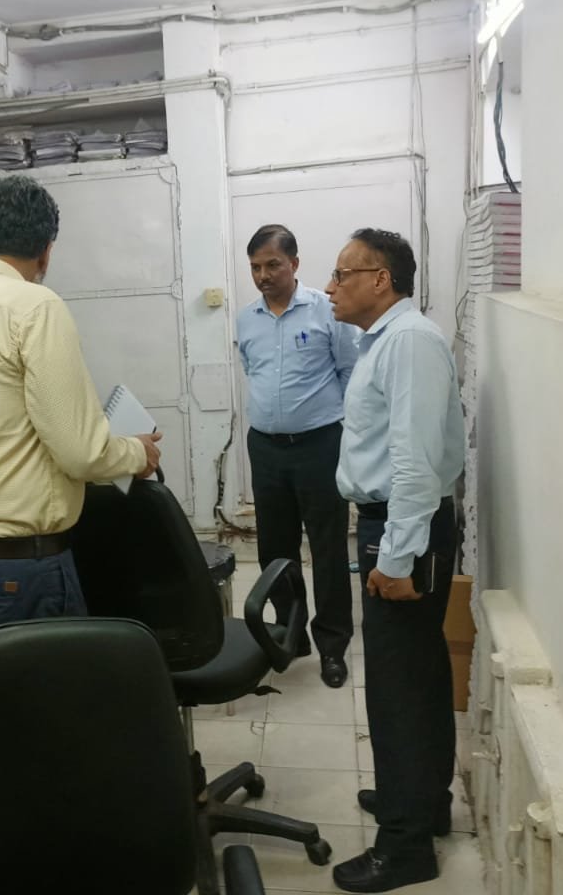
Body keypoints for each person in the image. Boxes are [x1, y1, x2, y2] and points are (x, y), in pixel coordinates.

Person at [0, 175, 161, 649]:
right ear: (46, 253)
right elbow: (81, 453)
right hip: (15, 570)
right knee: (52, 692)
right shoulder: (36, 307)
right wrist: (136, 453)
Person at [325, 228, 465, 893]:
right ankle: (423, 802)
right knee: (420, 674)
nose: (331, 287)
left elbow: (414, 462)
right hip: (400, 525)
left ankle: (405, 846)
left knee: (396, 689)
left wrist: (399, 557)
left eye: (343, 274)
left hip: (404, 528)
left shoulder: (407, 342)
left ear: (380, 279)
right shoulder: (388, 341)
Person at [236, 224, 358, 688]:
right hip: (266, 447)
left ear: (295, 264)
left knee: (328, 548)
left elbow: (349, 372)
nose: (263, 275)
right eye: (255, 267)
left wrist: (337, 427)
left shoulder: (326, 310)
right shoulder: (247, 319)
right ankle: (291, 635)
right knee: (275, 548)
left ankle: (332, 645)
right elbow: (252, 370)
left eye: (272, 265)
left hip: (319, 446)